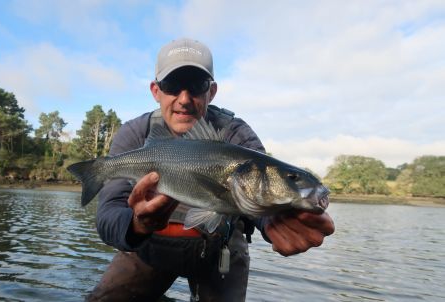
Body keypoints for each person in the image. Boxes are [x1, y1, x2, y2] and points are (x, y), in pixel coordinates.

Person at [87, 38, 335, 302]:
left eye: (196, 85)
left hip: (220, 250)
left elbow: (258, 191)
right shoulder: (135, 134)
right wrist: (137, 225)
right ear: (156, 91)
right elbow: (108, 217)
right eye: (172, 86)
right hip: (148, 246)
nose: (184, 99)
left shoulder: (236, 134)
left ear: (211, 91)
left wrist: (272, 219)